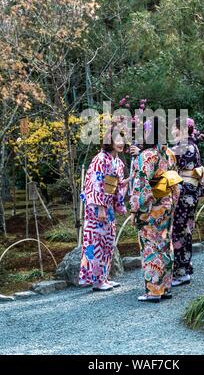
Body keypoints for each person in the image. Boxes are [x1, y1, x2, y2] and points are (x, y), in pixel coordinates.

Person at [129, 117, 181, 302]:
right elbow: (176, 182)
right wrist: (172, 204)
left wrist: (135, 208)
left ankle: (154, 291)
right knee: (165, 244)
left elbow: (140, 185)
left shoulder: (147, 155)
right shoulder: (168, 154)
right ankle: (165, 287)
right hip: (166, 205)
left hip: (150, 208)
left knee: (150, 247)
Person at [79, 125, 128, 291]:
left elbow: (118, 185)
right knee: (96, 241)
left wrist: (132, 178)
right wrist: (100, 207)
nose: (121, 143)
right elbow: (96, 183)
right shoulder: (101, 159)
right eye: (117, 140)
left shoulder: (117, 162)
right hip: (98, 206)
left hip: (108, 206)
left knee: (108, 241)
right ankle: (96, 280)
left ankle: (104, 277)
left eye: (122, 139)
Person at [171, 117, 204, 287]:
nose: (172, 132)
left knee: (178, 230)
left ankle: (180, 271)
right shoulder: (193, 145)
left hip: (184, 193)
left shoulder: (183, 146)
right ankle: (185, 267)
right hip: (191, 193)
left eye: (174, 129)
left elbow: (165, 159)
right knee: (186, 230)